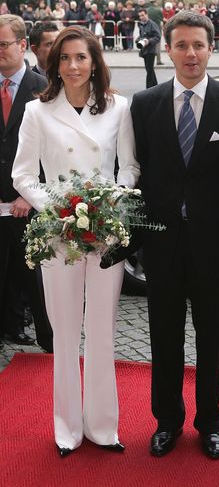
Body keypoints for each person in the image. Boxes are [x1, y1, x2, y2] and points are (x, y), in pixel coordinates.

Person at [130, 10, 219, 459]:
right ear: (168, 50)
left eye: (198, 45)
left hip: (214, 246)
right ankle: (166, 422)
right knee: (164, 337)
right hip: (161, 244)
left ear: (211, 47)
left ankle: (209, 424)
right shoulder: (143, 105)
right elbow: (136, 175)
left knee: (211, 338)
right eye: (181, 45)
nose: (190, 53)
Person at [12, 25, 140, 457]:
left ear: (94, 61)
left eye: (80, 58)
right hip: (59, 233)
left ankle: (104, 428)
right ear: (54, 64)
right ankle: (66, 429)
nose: (72, 66)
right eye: (64, 58)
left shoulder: (119, 107)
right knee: (65, 334)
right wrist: (62, 208)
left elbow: (129, 168)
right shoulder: (38, 111)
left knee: (102, 331)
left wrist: (111, 203)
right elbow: (23, 175)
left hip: (105, 233)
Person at [0, 15, 47, 347]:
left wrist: (30, 195)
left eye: (3, 45)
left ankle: (47, 335)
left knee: (33, 274)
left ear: (21, 45)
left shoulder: (43, 88)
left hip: (27, 202)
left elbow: (52, 151)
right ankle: (7, 326)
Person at [136, 8, 161, 88]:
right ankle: (155, 87)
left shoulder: (152, 24)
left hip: (151, 50)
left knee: (149, 70)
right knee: (149, 70)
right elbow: (142, 35)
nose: (141, 17)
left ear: (147, 14)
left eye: (143, 15)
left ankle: (149, 88)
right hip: (144, 50)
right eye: (140, 16)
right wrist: (138, 39)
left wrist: (149, 41)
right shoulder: (141, 24)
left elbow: (158, 36)